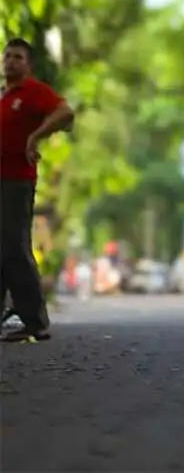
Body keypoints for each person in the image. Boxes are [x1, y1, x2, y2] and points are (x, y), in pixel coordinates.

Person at [1, 38, 75, 343]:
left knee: (15, 248)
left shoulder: (32, 92)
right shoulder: (4, 97)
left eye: (18, 57)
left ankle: (36, 321)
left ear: (28, 65)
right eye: (7, 56)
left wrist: (35, 136)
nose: (10, 61)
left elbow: (65, 113)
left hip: (16, 181)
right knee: (2, 250)